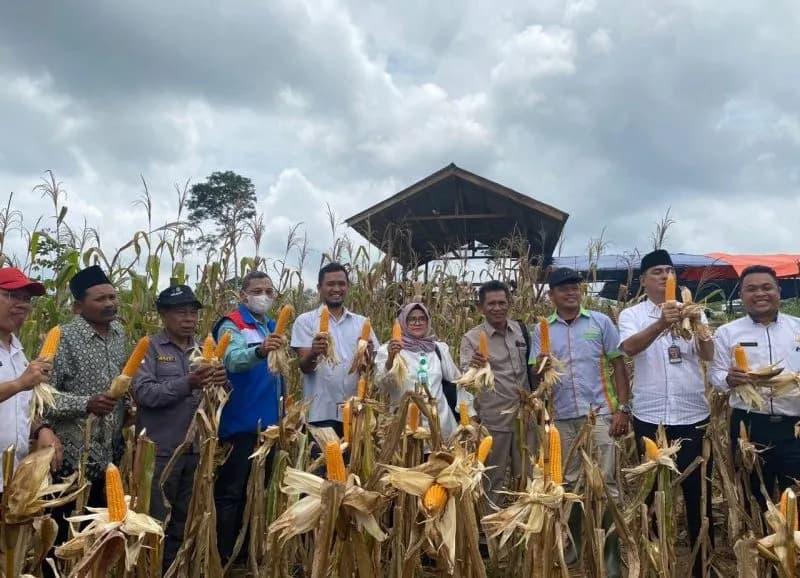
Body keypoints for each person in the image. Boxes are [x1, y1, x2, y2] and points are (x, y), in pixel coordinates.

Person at [618, 249, 714, 578]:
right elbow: (629, 348)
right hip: (651, 415)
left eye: (670, 271)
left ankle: (703, 563)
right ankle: (656, 559)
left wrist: (697, 322)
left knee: (696, 492)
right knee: (654, 491)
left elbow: (708, 353)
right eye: (657, 271)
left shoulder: (695, 312)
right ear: (644, 280)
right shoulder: (632, 315)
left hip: (692, 414)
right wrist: (663, 322)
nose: (664, 276)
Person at [529, 267, 630, 578]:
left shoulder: (600, 322)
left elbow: (618, 366)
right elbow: (535, 376)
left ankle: (611, 556)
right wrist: (542, 364)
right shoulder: (541, 329)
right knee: (568, 484)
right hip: (561, 418)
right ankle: (572, 549)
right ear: (552, 296)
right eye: (563, 289)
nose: (570, 292)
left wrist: (622, 409)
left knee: (607, 484)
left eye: (574, 287)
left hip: (599, 414)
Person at [132, 285, 227, 571]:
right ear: (162, 315)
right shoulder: (149, 348)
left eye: (193, 312)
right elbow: (144, 394)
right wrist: (189, 383)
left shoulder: (204, 349)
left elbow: (217, 401)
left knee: (184, 524)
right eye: (180, 312)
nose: (188, 318)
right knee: (155, 522)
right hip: (160, 453)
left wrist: (222, 381)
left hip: (196, 452)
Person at [711, 265, 800, 503]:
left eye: (766, 287)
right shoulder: (726, 333)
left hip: (794, 427)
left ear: (779, 291)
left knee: (796, 496)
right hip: (748, 427)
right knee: (751, 495)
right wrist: (728, 379)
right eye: (751, 289)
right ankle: (754, 536)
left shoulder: (797, 327)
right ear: (741, 295)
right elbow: (716, 376)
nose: (760, 293)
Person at [212, 271, 284, 563]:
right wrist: (261, 350)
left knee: (260, 494)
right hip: (241, 424)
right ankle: (225, 557)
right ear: (242, 296)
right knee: (232, 493)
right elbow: (233, 359)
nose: (264, 296)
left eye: (269, 290)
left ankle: (250, 553)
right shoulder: (232, 324)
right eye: (257, 290)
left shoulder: (270, 325)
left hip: (270, 427)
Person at [46, 265, 128, 512]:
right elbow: (42, 398)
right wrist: (86, 403)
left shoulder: (119, 333)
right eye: (100, 299)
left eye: (112, 297)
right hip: (72, 458)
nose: (109, 303)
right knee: (64, 533)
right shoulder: (63, 337)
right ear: (78, 306)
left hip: (111, 455)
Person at [460, 280, 534, 508]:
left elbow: (533, 369)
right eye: (491, 303)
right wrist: (474, 368)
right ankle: (488, 533)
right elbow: (465, 379)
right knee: (494, 478)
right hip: (494, 419)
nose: (497, 307)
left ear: (509, 304)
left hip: (526, 418)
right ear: (481, 308)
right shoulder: (471, 338)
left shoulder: (522, 332)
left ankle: (529, 530)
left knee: (529, 476)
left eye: (502, 302)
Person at [291, 263, 379, 437]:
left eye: (341, 284)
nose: (336, 289)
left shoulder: (361, 323)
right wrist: (314, 352)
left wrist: (368, 356)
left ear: (348, 287)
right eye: (330, 284)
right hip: (319, 413)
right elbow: (305, 367)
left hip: (355, 411)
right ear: (319, 288)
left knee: (353, 464)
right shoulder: (305, 321)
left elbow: (371, 369)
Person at [0, 267, 62, 496]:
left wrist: (41, 429)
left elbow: (20, 406)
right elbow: (19, 387)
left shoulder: (18, 351)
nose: (22, 304)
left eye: (26, 299)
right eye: (12, 295)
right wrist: (19, 383)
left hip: (14, 478)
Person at [375, 302, 475, 441]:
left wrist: (469, 414)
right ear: (403, 322)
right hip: (405, 427)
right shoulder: (388, 350)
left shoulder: (439, 349)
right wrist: (391, 359)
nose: (418, 322)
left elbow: (457, 383)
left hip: (441, 424)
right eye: (412, 319)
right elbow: (383, 385)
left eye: (422, 318)